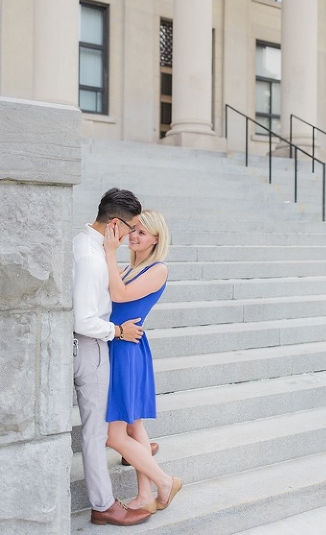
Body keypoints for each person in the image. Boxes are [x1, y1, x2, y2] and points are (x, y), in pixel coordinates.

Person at [72, 188, 152, 526]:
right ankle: (104, 505)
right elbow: (83, 320)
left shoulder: (81, 241)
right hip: (91, 345)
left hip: (87, 345)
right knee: (95, 431)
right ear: (115, 224)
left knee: (99, 428)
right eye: (131, 227)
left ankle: (137, 451)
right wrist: (118, 331)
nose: (133, 235)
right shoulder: (92, 259)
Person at [103, 210, 182, 514]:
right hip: (119, 343)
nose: (134, 236)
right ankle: (145, 495)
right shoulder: (128, 268)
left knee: (115, 436)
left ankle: (164, 482)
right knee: (135, 427)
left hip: (127, 351)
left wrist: (110, 251)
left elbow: (119, 295)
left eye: (142, 233)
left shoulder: (158, 269)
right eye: (133, 229)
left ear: (156, 239)